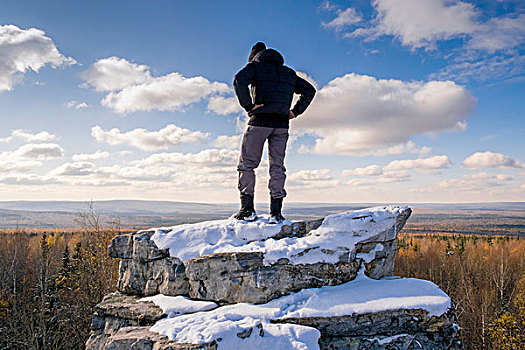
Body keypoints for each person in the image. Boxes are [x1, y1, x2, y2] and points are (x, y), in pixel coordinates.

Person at [232, 42, 316, 223]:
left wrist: (248, 106)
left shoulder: (255, 67)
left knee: (247, 164)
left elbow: (239, 80)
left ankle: (247, 210)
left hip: (260, 122)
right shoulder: (289, 73)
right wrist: (295, 111)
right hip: (281, 125)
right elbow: (309, 90)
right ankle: (276, 214)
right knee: (277, 166)